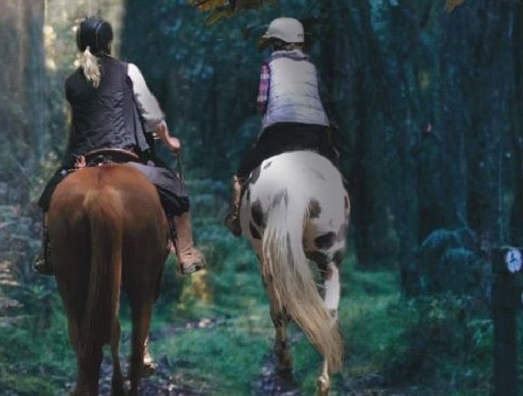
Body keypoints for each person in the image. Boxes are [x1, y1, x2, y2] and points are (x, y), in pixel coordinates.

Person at [33, 16, 206, 275]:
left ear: (81, 44)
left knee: (48, 199)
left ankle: (48, 254)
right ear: (109, 42)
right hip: (126, 157)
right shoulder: (128, 71)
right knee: (177, 188)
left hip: (82, 160)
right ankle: (186, 252)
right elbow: (152, 117)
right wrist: (169, 141)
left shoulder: (71, 82)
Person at [224, 17, 340, 237]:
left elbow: (261, 101)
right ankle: (340, 212)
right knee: (335, 170)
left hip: (280, 130)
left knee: (242, 173)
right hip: (315, 131)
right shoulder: (311, 66)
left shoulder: (269, 65)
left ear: (276, 42)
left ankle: (236, 216)